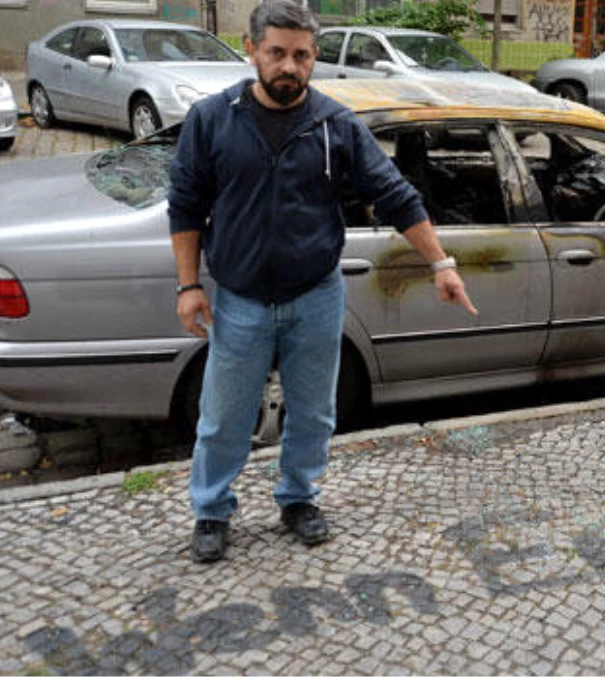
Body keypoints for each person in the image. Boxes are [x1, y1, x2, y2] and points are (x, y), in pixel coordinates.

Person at [168, 0, 477, 564]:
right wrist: (189, 286)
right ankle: (211, 510)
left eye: (302, 56)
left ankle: (298, 498)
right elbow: (185, 206)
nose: (290, 66)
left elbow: (395, 194)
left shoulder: (335, 125)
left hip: (316, 295)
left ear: (315, 58)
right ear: (252, 50)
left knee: (313, 412)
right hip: (240, 300)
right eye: (278, 53)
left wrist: (441, 264)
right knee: (223, 417)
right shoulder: (213, 119)